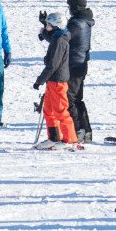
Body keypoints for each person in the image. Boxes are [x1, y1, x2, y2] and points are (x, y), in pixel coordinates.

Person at [33, 11, 78, 148]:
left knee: (60, 111)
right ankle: (54, 137)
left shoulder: (60, 41)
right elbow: (49, 36)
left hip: (57, 81)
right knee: (48, 110)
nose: (46, 26)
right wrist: (43, 23)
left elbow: (53, 65)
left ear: (56, 26)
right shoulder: (57, 37)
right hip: (52, 81)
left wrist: (39, 80)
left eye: (48, 24)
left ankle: (70, 140)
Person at [65, 0, 94, 142]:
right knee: (77, 99)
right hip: (81, 64)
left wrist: (46, 31)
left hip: (74, 65)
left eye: (70, 6)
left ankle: (77, 130)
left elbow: (62, 40)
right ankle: (86, 130)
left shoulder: (76, 23)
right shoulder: (84, 20)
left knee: (70, 98)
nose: (68, 9)